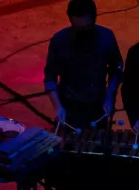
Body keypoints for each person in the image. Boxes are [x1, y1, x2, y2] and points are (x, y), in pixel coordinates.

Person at [44, 0, 123, 130]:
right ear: (71, 21)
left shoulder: (106, 37)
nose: (83, 34)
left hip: (98, 106)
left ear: (94, 19)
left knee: (95, 147)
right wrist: (57, 107)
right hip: (69, 107)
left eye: (87, 28)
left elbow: (116, 68)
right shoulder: (59, 40)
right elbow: (50, 77)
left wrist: (110, 96)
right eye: (78, 28)